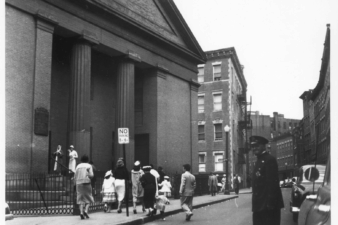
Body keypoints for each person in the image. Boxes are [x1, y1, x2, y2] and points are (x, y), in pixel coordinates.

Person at [250, 136, 284, 225]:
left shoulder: (269, 160)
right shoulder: (259, 161)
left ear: (263, 146)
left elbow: (273, 185)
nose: (254, 148)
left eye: (257, 145)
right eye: (252, 146)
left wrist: (270, 206)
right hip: (259, 207)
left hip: (268, 208)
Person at [74, 154, 94, 219]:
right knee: (89, 197)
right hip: (87, 182)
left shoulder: (78, 166)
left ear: (81, 159)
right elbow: (91, 175)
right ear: (87, 160)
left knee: (80, 198)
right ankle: (86, 211)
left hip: (79, 183)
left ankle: (81, 212)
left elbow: (75, 176)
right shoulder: (89, 166)